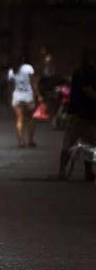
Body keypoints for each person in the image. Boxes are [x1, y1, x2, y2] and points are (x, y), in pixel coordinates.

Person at [55, 50, 96, 181]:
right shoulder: (83, 74)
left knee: (87, 145)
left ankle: (88, 172)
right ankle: (62, 171)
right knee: (70, 142)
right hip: (79, 115)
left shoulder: (84, 73)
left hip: (87, 115)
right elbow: (88, 91)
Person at [8, 59, 43, 148]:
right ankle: (30, 140)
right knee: (31, 119)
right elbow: (33, 84)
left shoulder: (11, 71)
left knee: (19, 119)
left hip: (17, 97)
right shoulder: (28, 68)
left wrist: (11, 96)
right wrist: (38, 95)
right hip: (28, 97)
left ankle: (21, 141)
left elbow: (11, 86)